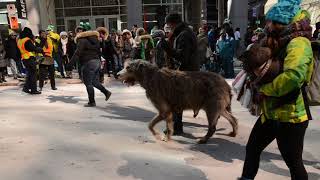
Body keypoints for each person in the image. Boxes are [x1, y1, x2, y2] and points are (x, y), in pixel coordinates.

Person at [239, 0, 314, 179]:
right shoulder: (277, 40)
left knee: (293, 162)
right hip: (271, 112)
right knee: (252, 148)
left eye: (270, 21)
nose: (267, 25)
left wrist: (265, 90)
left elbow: (294, 76)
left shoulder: (299, 43)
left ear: (281, 22)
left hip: (291, 115)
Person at [159, 13, 199, 135]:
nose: (169, 28)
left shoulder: (184, 35)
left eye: (169, 26)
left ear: (173, 24)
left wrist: (166, 47)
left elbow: (183, 57)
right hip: (187, 71)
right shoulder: (185, 32)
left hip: (185, 72)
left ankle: (176, 127)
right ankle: (176, 127)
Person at [67, 25, 112, 107]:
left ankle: (92, 102)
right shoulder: (95, 40)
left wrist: (70, 64)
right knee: (94, 82)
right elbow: (99, 52)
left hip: (88, 62)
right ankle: (106, 92)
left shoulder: (82, 40)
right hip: (96, 62)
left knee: (88, 83)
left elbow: (78, 53)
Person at [17, 27, 43, 94]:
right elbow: (32, 48)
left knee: (29, 74)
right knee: (33, 75)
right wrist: (39, 49)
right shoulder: (27, 40)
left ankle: (26, 88)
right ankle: (33, 90)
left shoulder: (20, 40)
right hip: (29, 58)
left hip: (24, 59)